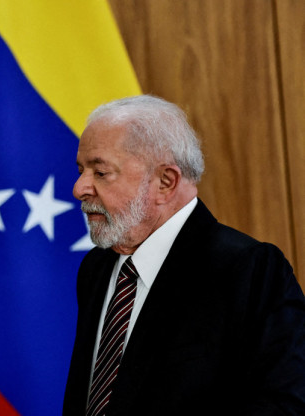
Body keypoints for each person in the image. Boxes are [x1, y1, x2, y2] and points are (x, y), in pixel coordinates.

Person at [63, 95, 305, 415]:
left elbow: (286, 403)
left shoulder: (248, 269)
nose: (79, 188)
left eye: (101, 172)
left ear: (165, 182)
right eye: (81, 170)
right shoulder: (96, 267)